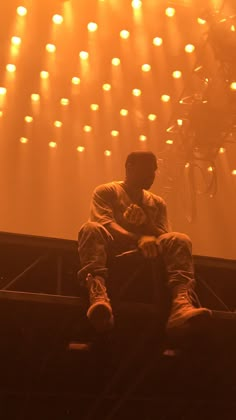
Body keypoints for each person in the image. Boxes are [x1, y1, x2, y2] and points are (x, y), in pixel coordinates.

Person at [78, 151, 212, 336]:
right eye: (147, 170)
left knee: (179, 239)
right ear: (129, 166)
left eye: (154, 171)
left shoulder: (157, 202)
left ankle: (181, 303)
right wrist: (138, 238)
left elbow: (164, 235)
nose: (152, 175)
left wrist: (146, 225)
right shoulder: (107, 191)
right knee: (90, 228)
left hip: (148, 253)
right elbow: (104, 223)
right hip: (113, 251)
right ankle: (98, 293)